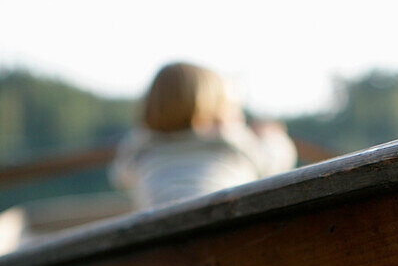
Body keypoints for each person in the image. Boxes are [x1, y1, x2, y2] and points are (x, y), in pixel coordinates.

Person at [111, 62, 297, 210]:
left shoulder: (141, 151)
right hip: (226, 238)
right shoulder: (232, 142)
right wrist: (273, 137)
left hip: (160, 246)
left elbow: (120, 177)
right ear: (220, 110)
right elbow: (274, 161)